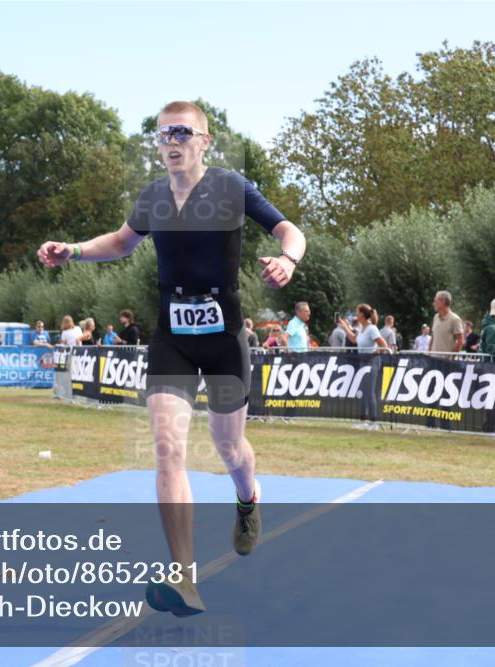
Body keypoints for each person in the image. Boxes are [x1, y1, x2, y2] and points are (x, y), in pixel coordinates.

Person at [37, 100, 305, 617]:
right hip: (173, 338)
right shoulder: (153, 197)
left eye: (182, 132)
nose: (171, 141)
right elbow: (121, 243)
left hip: (225, 338)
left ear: (204, 141)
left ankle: (248, 497)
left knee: (229, 447)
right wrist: (73, 249)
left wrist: (287, 260)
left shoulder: (230, 187)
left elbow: (290, 231)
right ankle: (184, 578)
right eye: (163, 134)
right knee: (166, 446)